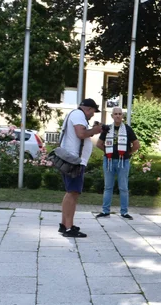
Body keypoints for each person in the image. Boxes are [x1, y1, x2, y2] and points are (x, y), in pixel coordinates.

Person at [58, 98, 102, 238]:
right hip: (74, 161)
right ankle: (69, 228)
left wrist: (92, 130)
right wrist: (95, 130)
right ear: (88, 109)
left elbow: (81, 133)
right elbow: (81, 134)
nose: (92, 115)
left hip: (71, 159)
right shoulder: (78, 115)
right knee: (73, 193)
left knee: (70, 192)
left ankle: (65, 224)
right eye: (93, 112)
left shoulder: (75, 114)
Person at [95, 106, 141, 220]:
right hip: (109, 161)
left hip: (123, 161)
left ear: (122, 116)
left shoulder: (128, 129)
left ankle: (124, 212)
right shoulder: (107, 129)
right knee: (108, 187)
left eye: (120, 114)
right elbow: (99, 144)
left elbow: (136, 145)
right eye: (115, 114)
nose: (118, 116)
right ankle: (105, 211)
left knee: (123, 187)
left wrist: (127, 153)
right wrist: (108, 152)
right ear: (112, 116)